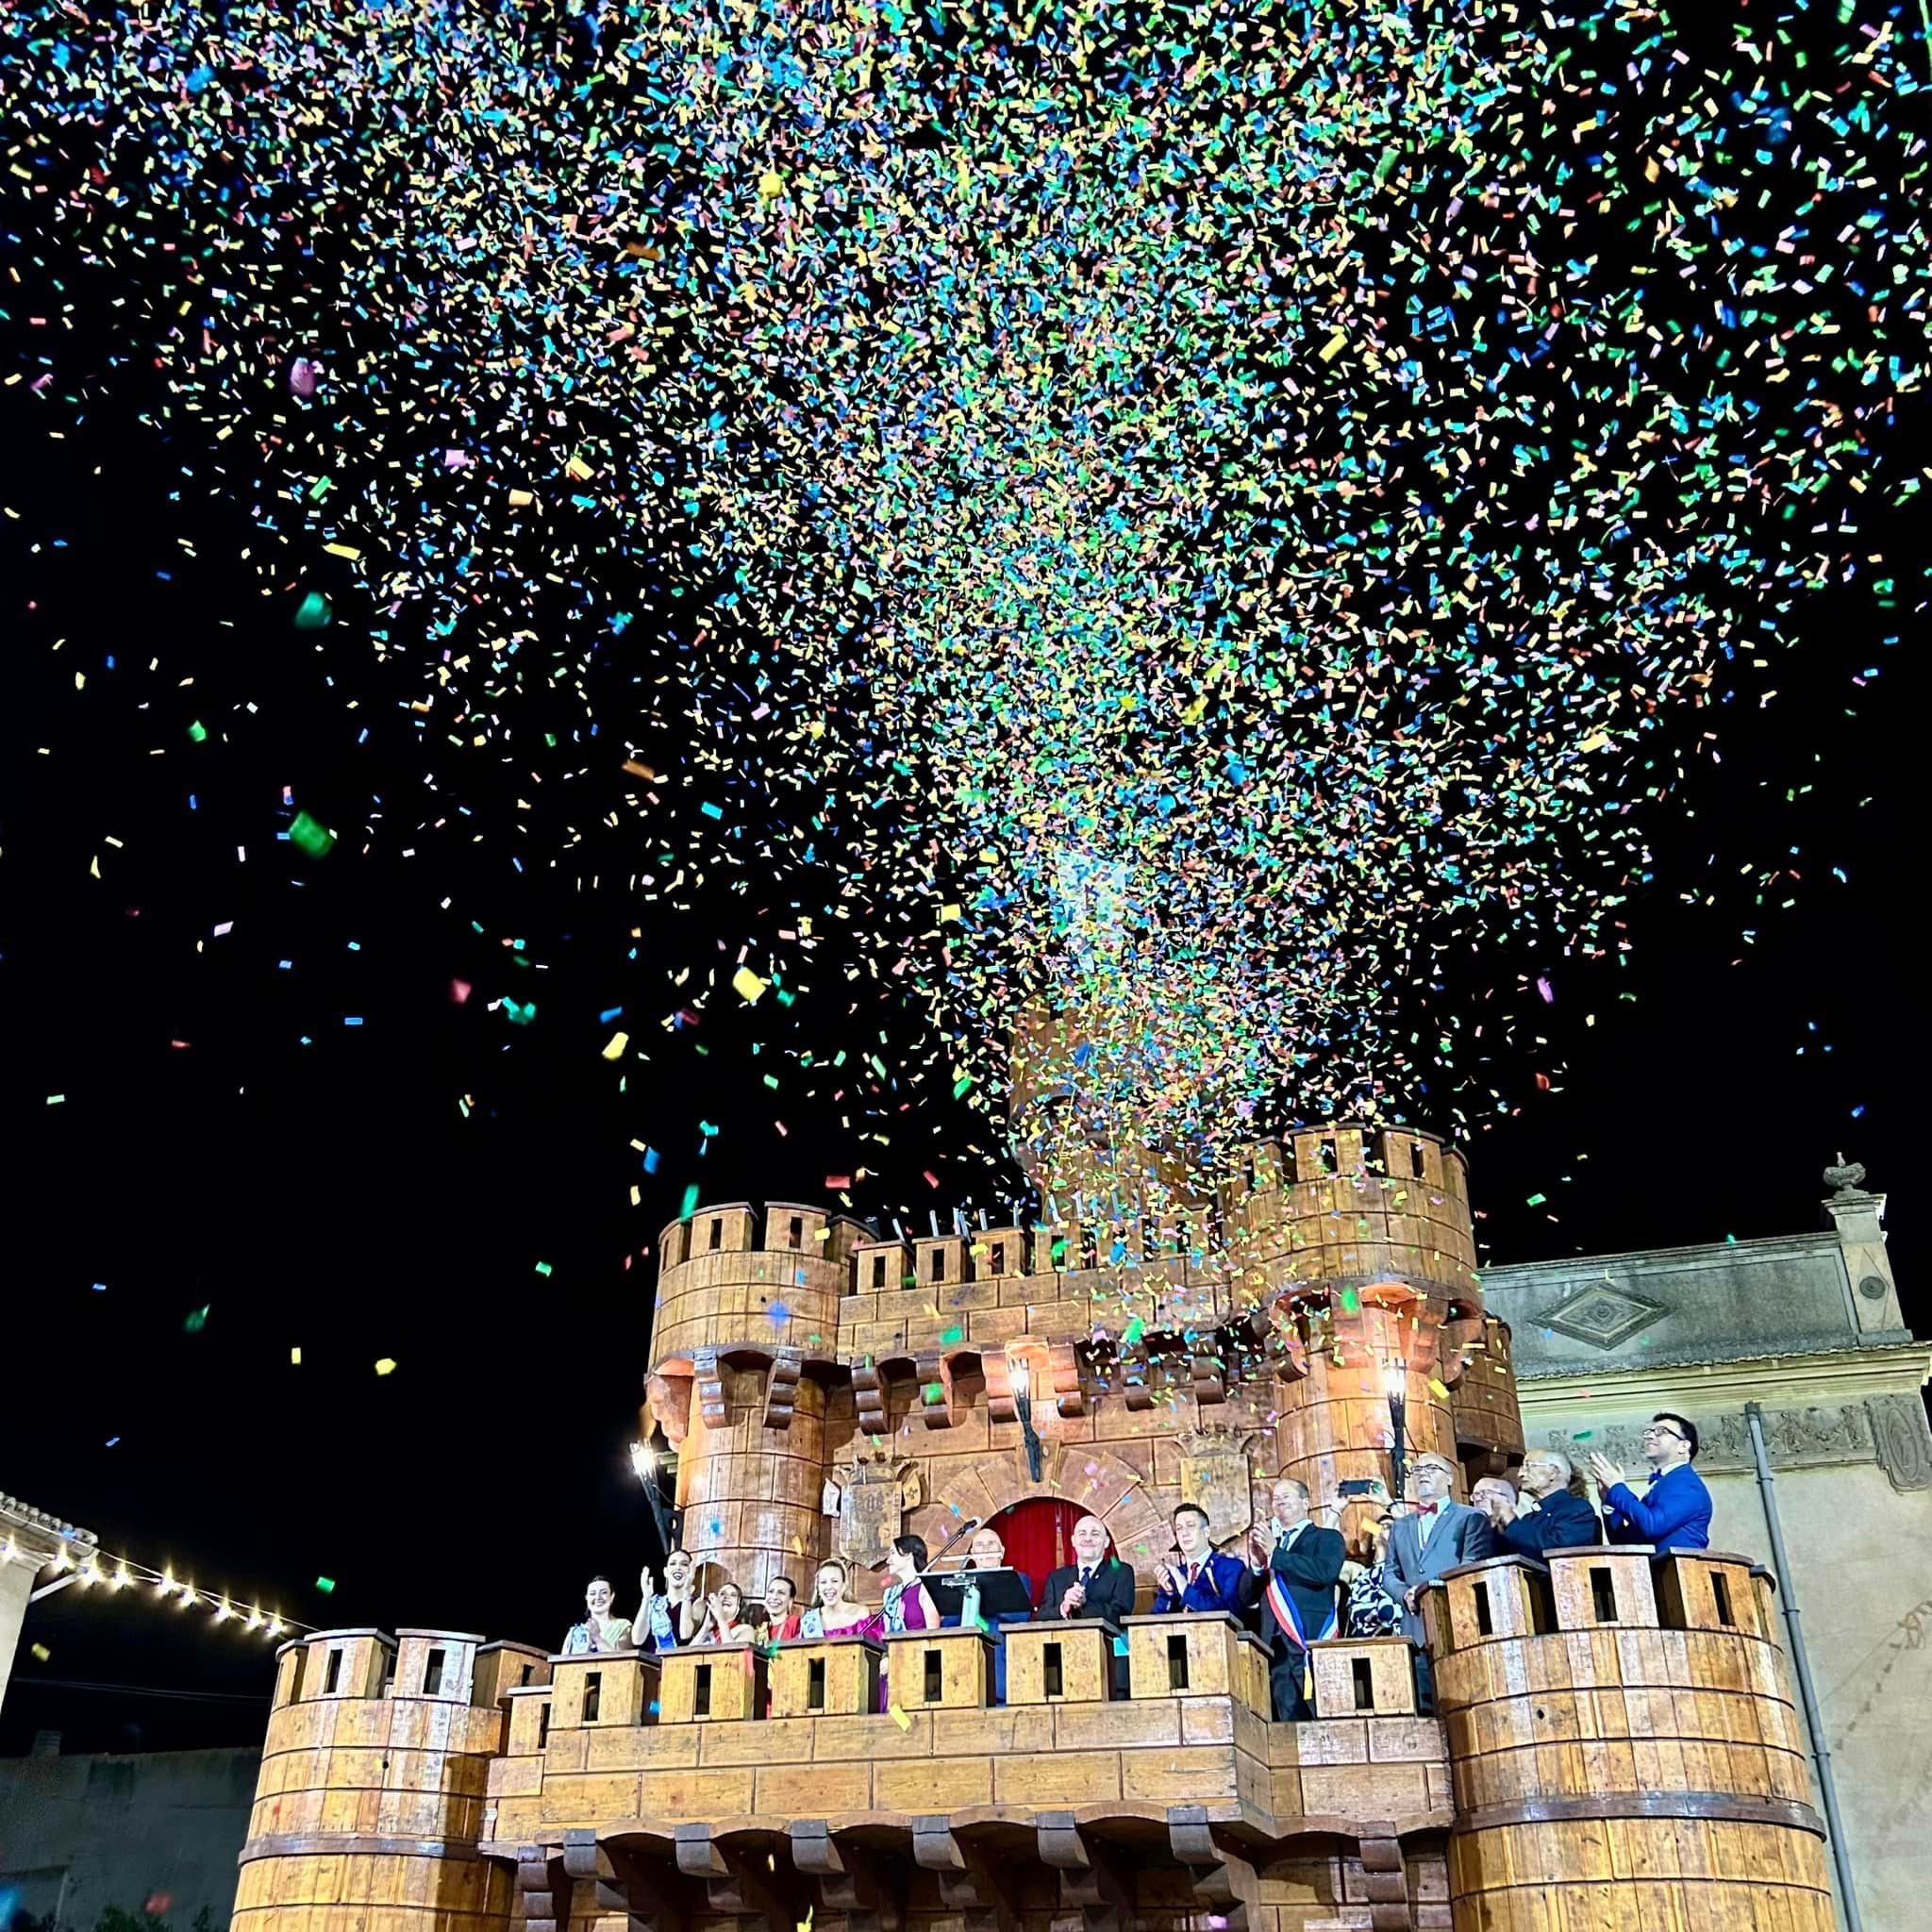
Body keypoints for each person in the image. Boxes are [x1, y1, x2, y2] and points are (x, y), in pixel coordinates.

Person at [1377, 1454, 1493, 1712]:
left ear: (1450, 1478)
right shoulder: (1400, 1526)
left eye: (1431, 1468)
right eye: (1417, 1469)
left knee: (1463, 1703)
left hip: (1456, 1624)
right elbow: (1389, 1573)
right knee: (1425, 1708)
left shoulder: (1470, 1517)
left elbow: (1471, 1566)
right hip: (1415, 1630)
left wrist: (1426, 1590)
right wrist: (1404, 1593)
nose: (1422, 1473)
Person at [1242, 1478, 1344, 1722]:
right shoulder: (1269, 1546)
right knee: (1285, 1721)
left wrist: (1275, 1554)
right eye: (1275, 1498)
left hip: (1310, 1638)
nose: (1279, 1501)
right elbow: (1246, 1597)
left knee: (1320, 1714)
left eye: (1286, 1495)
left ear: (1306, 1502)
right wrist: (1257, 1567)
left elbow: (1324, 1572)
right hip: (1274, 1646)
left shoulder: (1326, 1537)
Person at [1589, 1414, 1712, 1552]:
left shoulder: (1688, 1484)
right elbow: (1624, 1543)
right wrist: (1609, 1504)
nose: (1649, 1436)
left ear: (1683, 1446)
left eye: (1661, 1431)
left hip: (1678, 1571)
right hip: (1657, 1571)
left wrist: (1617, 1487)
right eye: (1649, 1432)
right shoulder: (1664, 1483)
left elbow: (1652, 1526)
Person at [1497, 1449, 1602, 1557]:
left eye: (1528, 1466)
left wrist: (1512, 1522)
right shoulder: (1528, 1518)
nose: (1520, 1474)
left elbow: (1560, 1551)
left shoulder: (1578, 1509)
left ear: (1553, 1472)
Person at [1037, 1513, 1137, 1624]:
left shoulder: (1121, 1572)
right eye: (1082, 1533)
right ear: (1073, 1541)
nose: (1088, 1539)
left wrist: (1085, 1603)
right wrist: (1063, 1608)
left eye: (1095, 1534)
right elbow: (1041, 1617)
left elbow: (1120, 1617)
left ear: (1106, 1542)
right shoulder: (1056, 1578)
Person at [1152, 1502, 1246, 1614]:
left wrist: (1185, 1588)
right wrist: (1168, 1594)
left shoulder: (1232, 1567)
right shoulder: (1175, 1574)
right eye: (1179, 1528)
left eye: (1190, 1525)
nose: (1184, 1533)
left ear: (1206, 1532)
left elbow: (1230, 1610)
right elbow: (1155, 1620)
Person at [636, 1549, 704, 1652]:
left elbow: (685, 1634)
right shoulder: (654, 1602)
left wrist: (686, 1592)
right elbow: (637, 1639)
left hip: (680, 1664)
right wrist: (646, 1599)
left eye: (684, 1564)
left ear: (691, 1571)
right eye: (673, 1564)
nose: (678, 1568)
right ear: (666, 1572)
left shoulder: (698, 1604)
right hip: (651, 1664)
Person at [799, 1557, 874, 1638]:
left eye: (834, 1581)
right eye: (823, 1582)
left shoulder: (860, 1613)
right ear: (818, 1588)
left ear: (844, 1586)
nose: (829, 1587)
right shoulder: (809, 1619)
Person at [561, 1574, 633, 1655]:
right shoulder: (575, 1632)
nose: (598, 1597)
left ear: (612, 1596)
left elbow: (624, 1661)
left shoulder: (623, 1626)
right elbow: (562, 1662)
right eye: (592, 1593)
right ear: (586, 1598)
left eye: (604, 1592)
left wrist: (597, 1638)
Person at [693, 1581, 758, 1645]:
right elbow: (687, 1653)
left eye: (733, 1595)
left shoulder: (746, 1629)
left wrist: (721, 1618)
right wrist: (705, 1627)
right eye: (722, 1594)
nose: (726, 1597)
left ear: (738, 1607)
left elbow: (732, 1653)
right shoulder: (708, 1631)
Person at [761, 1574, 804, 1641]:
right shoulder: (760, 1628)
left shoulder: (796, 1623)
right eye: (771, 1591)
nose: (774, 1597)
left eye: (781, 1593)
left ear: (790, 1601)